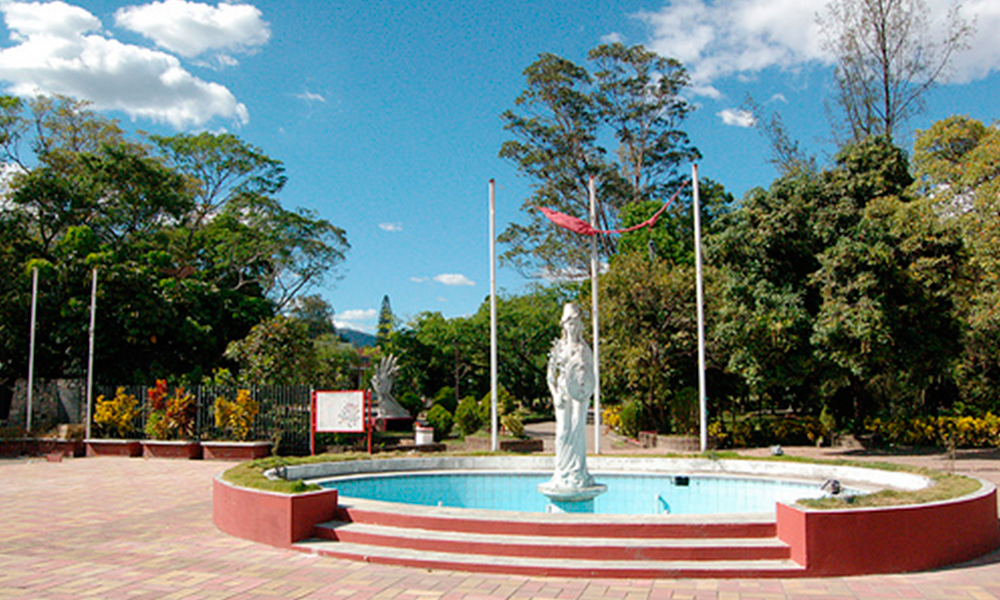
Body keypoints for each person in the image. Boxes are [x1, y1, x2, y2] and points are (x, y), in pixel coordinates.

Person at [544, 303, 596, 491]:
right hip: (563, 394)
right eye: (569, 323)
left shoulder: (585, 349)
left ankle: (578, 471)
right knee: (563, 431)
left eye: (575, 323)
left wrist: (586, 391)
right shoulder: (558, 348)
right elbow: (550, 376)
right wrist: (555, 394)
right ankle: (562, 470)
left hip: (580, 395)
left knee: (577, 429)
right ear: (564, 326)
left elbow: (590, 375)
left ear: (580, 325)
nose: (572, 327)